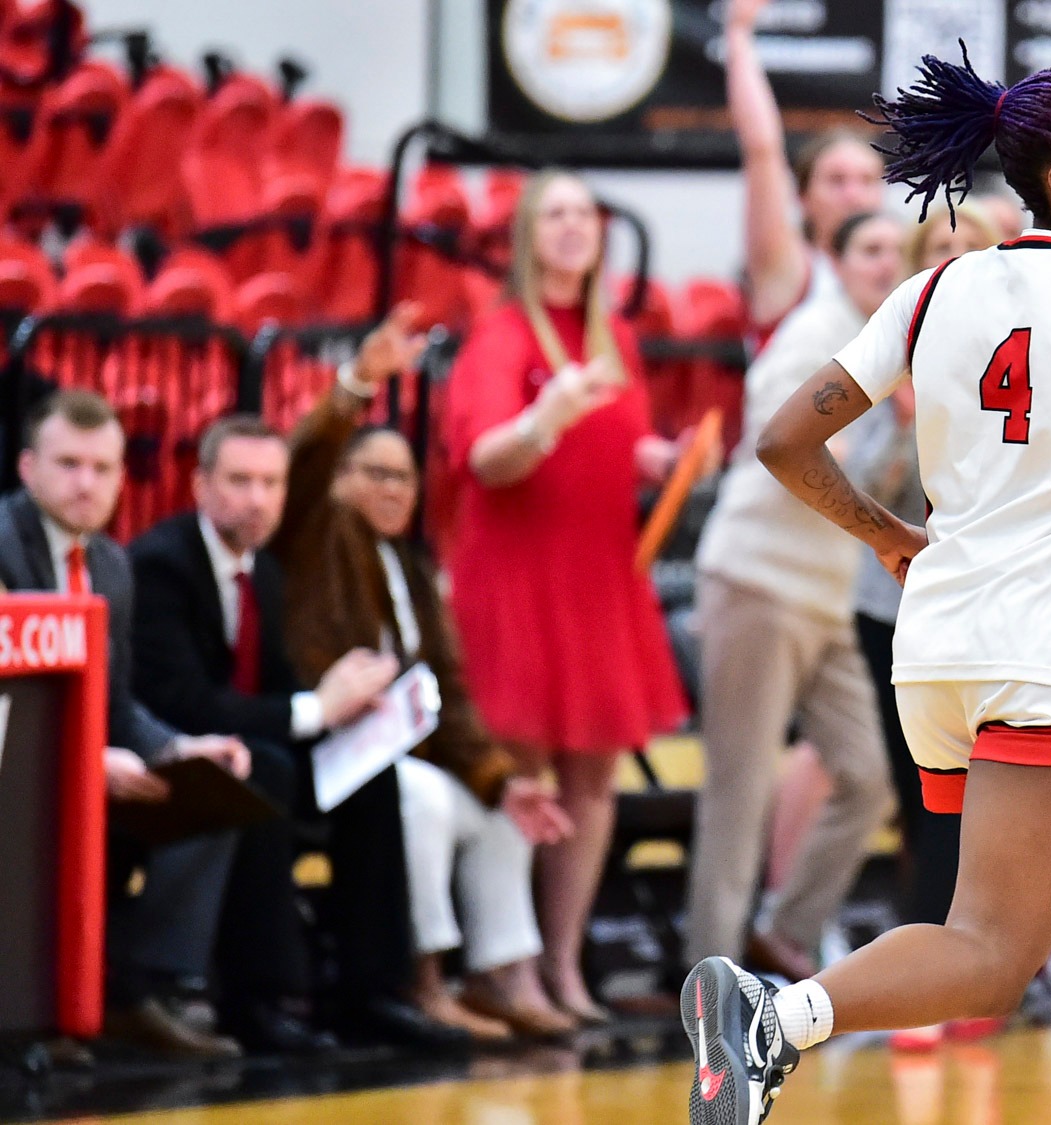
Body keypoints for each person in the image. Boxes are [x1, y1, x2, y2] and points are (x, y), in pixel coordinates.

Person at [681, 49, 1051, 1125]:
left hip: (940, 654)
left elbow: (781, 442)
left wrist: (885, 535)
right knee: (994, 955)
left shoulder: (932, 289)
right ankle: (775, 1015)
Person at [271, 305, 577, 1043]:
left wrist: (501, 779)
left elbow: (450, 697)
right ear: (340, 479)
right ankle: (423, 978)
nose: (394, 490)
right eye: (376, 473)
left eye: (405, 478)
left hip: (400, 755)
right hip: (331, 748)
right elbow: (303, 465)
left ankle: (502, 975)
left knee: (501, 814)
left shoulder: (411, 568)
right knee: (423, 799)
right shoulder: (319, 533)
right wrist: (356, 383)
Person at [441, 170, 692, 1024]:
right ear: (526, 235)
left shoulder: (611, 333)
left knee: (592, 781)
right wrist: (543, 418)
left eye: (585, 213)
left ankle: (562, 961)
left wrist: (661, 460)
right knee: (523, 774)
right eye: (555, 213)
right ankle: (506, 966)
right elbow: (485, 459)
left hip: (597, 576)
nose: (573, 226)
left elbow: (621, 441)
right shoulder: (501, 335)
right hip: (518, 575)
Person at [129, 416, 463, 1052]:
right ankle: (259, 999)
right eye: (240, 481)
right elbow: (184, 704)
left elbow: (283, 692)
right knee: (268, 770)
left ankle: (369, 991)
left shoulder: (266, 573)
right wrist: (316, 709)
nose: (256, 500)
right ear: (200, 486)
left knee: (370, 777)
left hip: (246, 752)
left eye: (270, 484)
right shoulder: (161, 565)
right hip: (170, 758)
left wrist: (354, 711)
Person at [682, 213, 905, 980]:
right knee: (740, 791)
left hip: (826, 594)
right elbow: (789, 453)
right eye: (869, 249)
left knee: (869, 775)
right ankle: (709, 977)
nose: (885, 263)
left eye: (895, 251)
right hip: (760, 579)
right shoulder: (818, 334)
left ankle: (784, 932)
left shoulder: (890, 348)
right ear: (833, 260)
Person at [0, 390, 250, 1059]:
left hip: (83, 766)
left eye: (103, 468)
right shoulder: (2, 544)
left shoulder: (112, 565)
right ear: (27, 468)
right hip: (14, 769)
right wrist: (83, 762)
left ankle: (136, 989)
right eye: (69, 464)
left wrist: (177, 746)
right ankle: (30, 1011)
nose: (86, 484)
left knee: (212, 791)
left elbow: (115, 703)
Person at [853, 203, 1005, 1053]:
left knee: (974, 803)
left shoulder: (1019, 355)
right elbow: (853, 483)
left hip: (987, 614)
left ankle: (969, 973)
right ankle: (928, 982)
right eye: (939, 249)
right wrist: (905, 422)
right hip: (894, 608)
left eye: (970, 248)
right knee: (922, 804)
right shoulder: (888, 352)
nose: (954, 261)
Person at [725, 0, 886, 337]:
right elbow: (762, 151)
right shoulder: (790, 269)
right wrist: (738, 33)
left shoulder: (902, 272)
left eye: (867, 180)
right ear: (802, 197)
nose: (854, 195)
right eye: (836, 181)